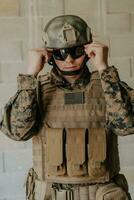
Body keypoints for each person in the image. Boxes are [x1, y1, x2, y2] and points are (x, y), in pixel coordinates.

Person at [0, 15, 134, 200]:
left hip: (102, 194)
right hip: (51, 194)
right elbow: (17, 132)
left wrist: (104, 69)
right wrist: (31, 74)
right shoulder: (35, 90)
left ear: (88, 50)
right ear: (49, 55)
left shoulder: (108, 86)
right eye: (61, 53)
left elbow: (127, 126)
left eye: (76, 51)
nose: (69, 59)